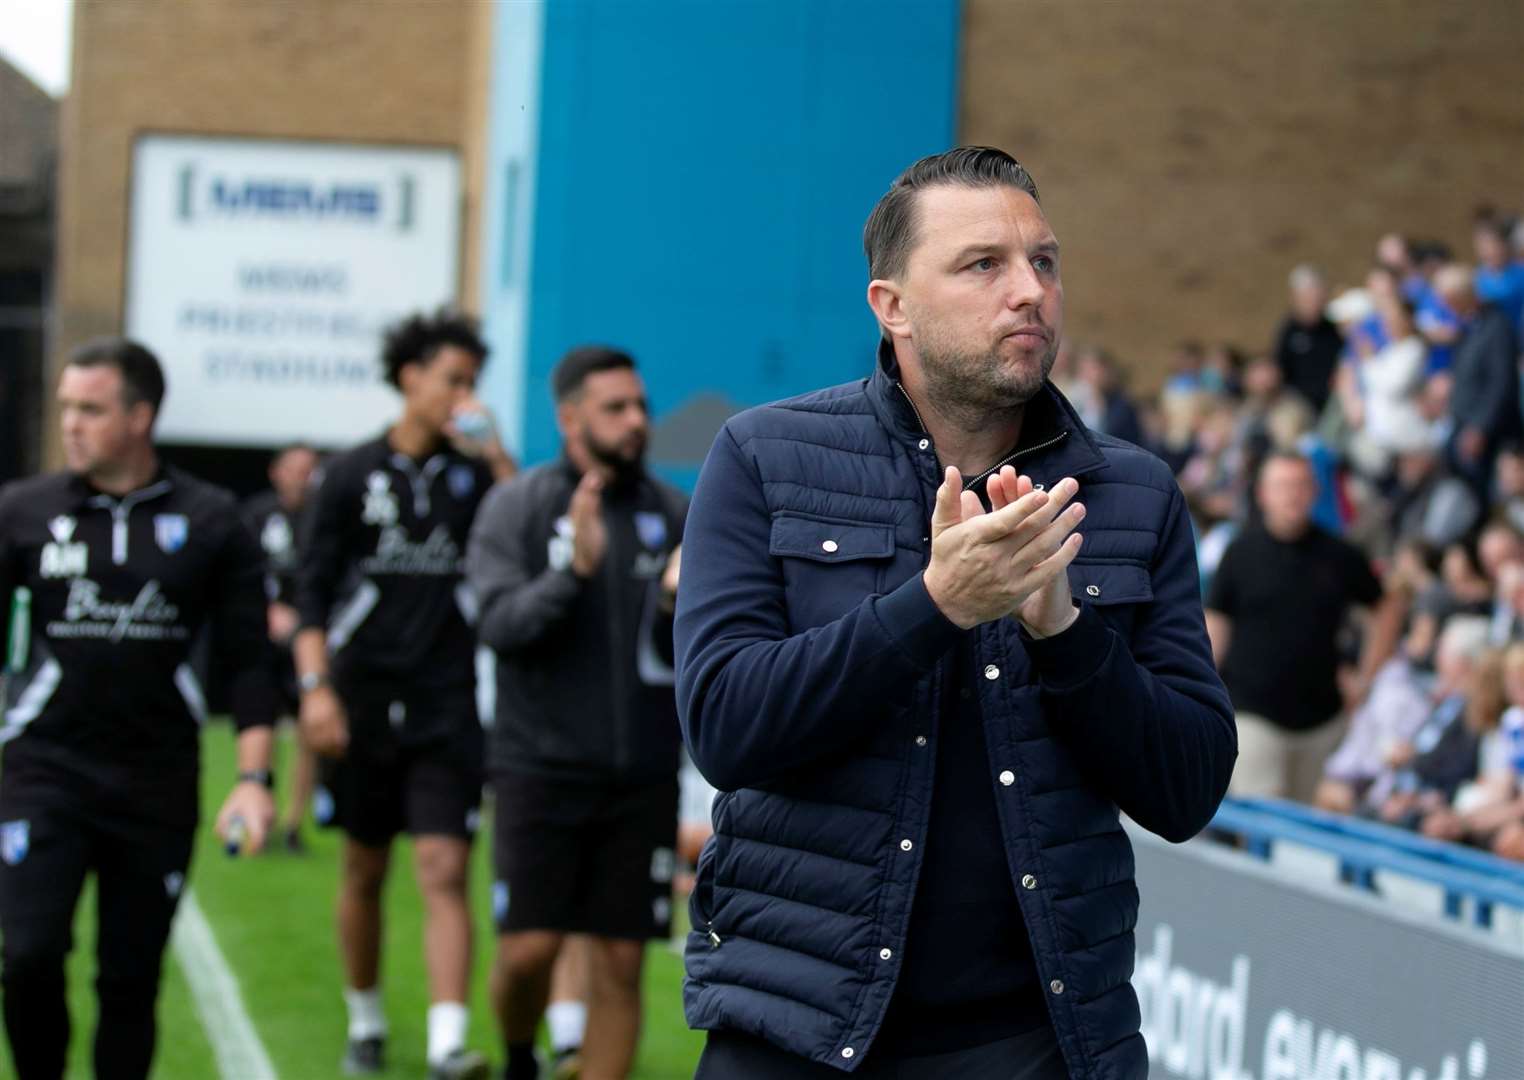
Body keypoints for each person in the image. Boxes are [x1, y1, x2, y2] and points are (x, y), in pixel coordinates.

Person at [674, 147, 1237, 1078]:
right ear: (891, 306)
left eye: (1044, 262)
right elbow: (728, 729)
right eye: (985, 265)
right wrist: (935, 606)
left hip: (1036, 1043)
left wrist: (1065, 633)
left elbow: (1187, 789)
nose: (1030, 292)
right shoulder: (764, 456)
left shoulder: (1131, 494)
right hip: (794, 1031)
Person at [0, 339, 277, 1080]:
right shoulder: (22, 513)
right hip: (41, 769)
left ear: (140, 417)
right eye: (66, 408)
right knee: (25, 955)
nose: (72, 424)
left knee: (129, 980)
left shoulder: (214, 521)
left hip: (155, 782)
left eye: (90, 409)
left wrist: (255, 779)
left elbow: (249, 661)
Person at [294, 310, 514, 1080]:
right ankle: (366, 1022)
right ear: (410, 378)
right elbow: (311, 591)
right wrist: (316, 688)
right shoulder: (350, 474)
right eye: (451, 379)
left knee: (445, 868)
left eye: (471, 382)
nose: (462, 394)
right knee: (364, 867)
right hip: (359, 700)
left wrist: (494, 454)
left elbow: (525, 527)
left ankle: (448, 1043)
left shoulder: (473, 474)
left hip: (447, 701)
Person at [466, 345, 687, 1080]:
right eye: (615, 409)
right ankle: (523, 1054)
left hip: (641, 777)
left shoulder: (673, 513)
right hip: (539, 769)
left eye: (640, 407)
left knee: (621, 961)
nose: (635, 422)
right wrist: (573, 571)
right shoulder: (517, 506)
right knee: (530, 951)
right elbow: (498, 625)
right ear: (569, 419)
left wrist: (670, 603)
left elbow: (689, 650)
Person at [1206, 451, 1399, 802]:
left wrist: (1366, 676)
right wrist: (1204, 686)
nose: (1292, 495)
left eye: (1301, 486)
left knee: (1303, 833)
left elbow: (1386, 607)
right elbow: (1216, 624)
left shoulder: (1339, 555)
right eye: (1282, 486)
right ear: (1263, 493)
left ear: (1314, 492)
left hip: (1322, 721)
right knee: (1263, 819)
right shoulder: (1240, 552)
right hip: (1252, 713)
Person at [241, 442, 321, 852]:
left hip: (307, 638)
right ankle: (260, 810)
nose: (301, 477)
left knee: (310, 726)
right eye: (294, 469)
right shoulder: (257, 514)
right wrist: (267, 611)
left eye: (309, 469)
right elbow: (239, 574)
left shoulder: (322, 517)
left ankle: (294, 821)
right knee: (262, 724)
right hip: (264, 637)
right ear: (276, 472)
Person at [1272, 264, 1344, 415]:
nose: (1313, 302)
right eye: (1308, 297)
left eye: (1317, 296)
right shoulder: (1288, 331)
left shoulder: (1333, 328)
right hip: (1301, 406)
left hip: (1333, 403)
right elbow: (1280, 370)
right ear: (1296, 298)